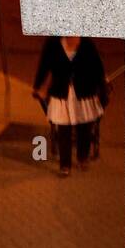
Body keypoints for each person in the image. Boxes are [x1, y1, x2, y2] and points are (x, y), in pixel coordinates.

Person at [32, 36, 107, 177]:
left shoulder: (86, 43)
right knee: (63, 130)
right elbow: (44, 65)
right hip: (61, 92)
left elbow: (97, 66)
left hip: (84, 91)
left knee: (84, 128)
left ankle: (82, 157)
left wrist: (101, 85)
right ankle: (65, 164)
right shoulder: (53, 43)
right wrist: (38, 85)